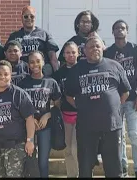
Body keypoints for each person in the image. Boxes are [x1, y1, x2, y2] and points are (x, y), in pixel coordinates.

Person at [65, 36, 131, 178]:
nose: (95, 49)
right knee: (85, 168)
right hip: (86, 128)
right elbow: (69, 95)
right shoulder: (76, 70)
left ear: (103, 48)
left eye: (97, 46)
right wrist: (81, 106)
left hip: (111, 126)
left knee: (114, 167)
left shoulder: (115, 66)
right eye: (91, 47)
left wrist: (113, 106)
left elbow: (125, 92)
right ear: (84, 51)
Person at [104, 19, 137, 178]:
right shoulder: (108, 53)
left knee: (135, 135)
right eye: (116, 28)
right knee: (119, 138)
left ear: (127, 31)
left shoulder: (136, 50)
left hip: (132, 100)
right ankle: (122, 169)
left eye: (122, 28)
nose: (119, 30)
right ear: (113, 32)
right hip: (115, 102)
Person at [0, 60, 36, 177]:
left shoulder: (19, 94)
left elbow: (29, 118)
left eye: (6, 74)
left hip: (15, 147)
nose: (2, 77)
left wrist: (30, 141)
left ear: (10, 76)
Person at [18, 51, 61, 177]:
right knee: (27, 161)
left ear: (43, 62)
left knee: (43, 162)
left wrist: (48, 115)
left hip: (44, 127)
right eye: (31, 62)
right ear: (28, 64)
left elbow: (58, 104)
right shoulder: (23, 83)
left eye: (38, 61)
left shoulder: (51, 82)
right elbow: (19, 106)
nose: (35, 64)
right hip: (27, 127)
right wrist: (30, 120)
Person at [7, 6, 59, 77]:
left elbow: (53, 57)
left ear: (35, 18)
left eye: (32, 16)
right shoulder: (14, 36)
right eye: (26, 16)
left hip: (41, 72)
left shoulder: (44, 34)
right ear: (21, 18)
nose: (29, 18)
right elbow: (7, 56)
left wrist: (57, 75)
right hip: (21, 73)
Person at [51, 41, 79, 177]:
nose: (71, 55)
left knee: (76, 149)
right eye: (68, 52)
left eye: (73, 52)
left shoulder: (83, 69)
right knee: (67, 150)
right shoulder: (58, 74)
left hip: (81, 115)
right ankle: (71, 175)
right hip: (65, 116)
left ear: (78, 53)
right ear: (63, 54)